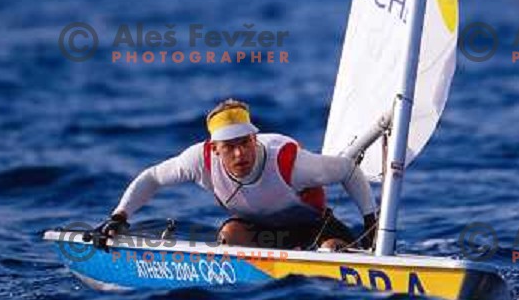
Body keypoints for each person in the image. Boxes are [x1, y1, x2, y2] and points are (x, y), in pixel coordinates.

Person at [101, 99, 378, 251]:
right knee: (230, 235)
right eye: (230, 147)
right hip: (263, 234)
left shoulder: (288, 162)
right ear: (214, 149)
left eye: (245, 142)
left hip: (315, 230)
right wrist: (119, 217)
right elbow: (153, 177)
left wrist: (370, 221)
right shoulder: (199, 160)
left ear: (254, 138)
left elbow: (348, 169)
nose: (240, 154)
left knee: (331, 249)